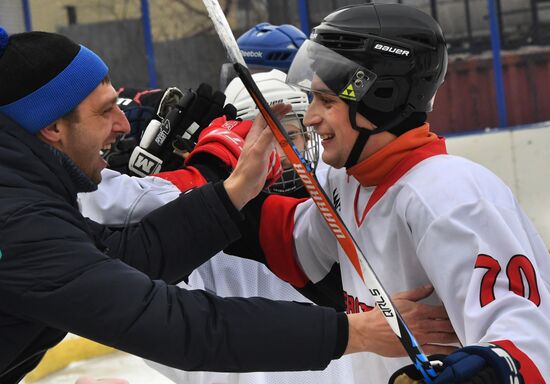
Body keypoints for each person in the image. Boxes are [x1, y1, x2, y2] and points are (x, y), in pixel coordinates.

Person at [0, 26, 405, 384]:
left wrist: (232, 192)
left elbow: (128, 255)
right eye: (106, 111)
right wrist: (354, 333)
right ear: (51, 126)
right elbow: (175, 325)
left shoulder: (26, 195)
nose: (123, 125)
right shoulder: (20, 221)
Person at [222, 3, 550, 383]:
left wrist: (475, 374)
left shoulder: (451, 198)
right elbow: (293, 245)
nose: (311, 117)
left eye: (326, 101)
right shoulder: (349, 182)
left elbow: (527, 342)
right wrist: (209, 189)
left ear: (380, 100)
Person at [80, 68, 457, 384]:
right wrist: (154, 186)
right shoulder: (207, 245)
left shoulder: (344, 204)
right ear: (233, 144)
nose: (285, 153)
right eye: (265, 137)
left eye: (292, 135)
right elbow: (125, 272)